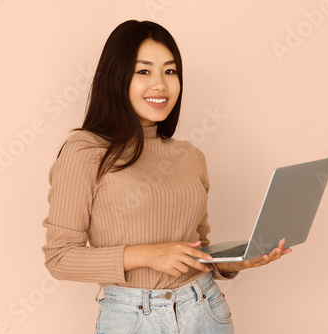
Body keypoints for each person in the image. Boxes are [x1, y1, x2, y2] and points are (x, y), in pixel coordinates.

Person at [42, 20, 291, 334]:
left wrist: (235, 262)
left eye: (170, 71)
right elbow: (60, 257)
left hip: (206, 310)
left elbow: (197, 252)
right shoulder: (85, 151)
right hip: (133, 318)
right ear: (117, 78)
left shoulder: (190, 155)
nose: (160, 84)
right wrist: (147, 254)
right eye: (143, 71)